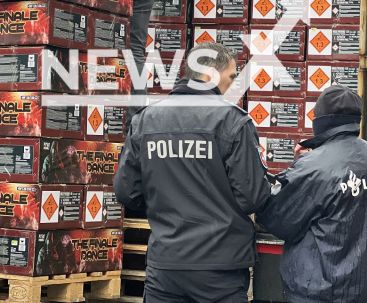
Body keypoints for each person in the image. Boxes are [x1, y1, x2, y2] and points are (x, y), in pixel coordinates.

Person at [114, 42, 270, 303]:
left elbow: (126, 192)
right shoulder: (232, 121)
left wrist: (165, 204)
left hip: (165, 267)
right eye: (231, 76)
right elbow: (253, 196)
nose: (232, 84)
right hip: (220, 269)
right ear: (210, 73)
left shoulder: (146, 120)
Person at [257, 85, 367, 303]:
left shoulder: (312, 168)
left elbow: (277, 220)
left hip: (322, 293)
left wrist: (299, 167)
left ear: (320, 121)